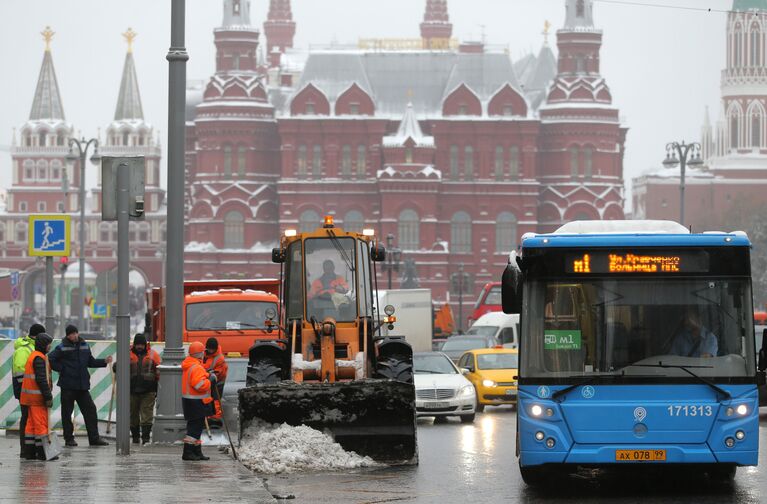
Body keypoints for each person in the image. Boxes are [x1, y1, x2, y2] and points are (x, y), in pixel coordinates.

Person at [48, 324, 112, 447]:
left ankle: (94, 438)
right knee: (67, 414)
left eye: (75, 333)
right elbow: (50, 359)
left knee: (90, 411)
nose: (74, 335)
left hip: (82, 386)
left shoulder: (84, 345)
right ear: (67, 335)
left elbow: (90, 362)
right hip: (68, 386)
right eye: (71, 334)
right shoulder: (62, 347)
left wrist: (103, 361)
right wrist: (62, 369)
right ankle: (69, 439)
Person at [12, 323, 46, 458]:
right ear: (38, 335)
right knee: (26, 419)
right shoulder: (23, 349)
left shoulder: (32, 347)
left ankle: (31, 449)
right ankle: (25, 450)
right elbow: (20, 373)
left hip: (31, 392)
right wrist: (26, 390)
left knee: (32, 420)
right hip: (25, 392)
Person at [20, 332, 55, 461]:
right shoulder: (39, 358)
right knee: (41, 425)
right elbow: (42, 379)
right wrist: (48, 397)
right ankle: (43, 453)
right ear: (43, 345)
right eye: (48, 345)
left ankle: (29, 452)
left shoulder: (34, 356)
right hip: (37, 399)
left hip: (29, 398)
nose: (49, 347)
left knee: (31, 426)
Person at [181, 341, 216, 461]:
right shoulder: (196, 367)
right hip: (196, 402)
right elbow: (199, 385)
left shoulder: (190, 365)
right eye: (203, 352)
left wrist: (206, 374)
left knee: (196, 427)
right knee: (195, 428)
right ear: (200, 353)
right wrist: (209, 380)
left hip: (191, 401)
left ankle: (196, 452)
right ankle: (189, 452)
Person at [128, 333, 162, 444]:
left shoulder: (153, 355)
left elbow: (159, 371)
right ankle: (135, 437)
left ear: (145, 344)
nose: (139, 346)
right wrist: (116, 366)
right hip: (131, 390)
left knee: (147, 415)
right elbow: (120, 366)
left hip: (149, 391)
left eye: (141, 344)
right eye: (137, 344)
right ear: (134, 344)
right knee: (133, 416)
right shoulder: (128, 354)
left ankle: (146, 439)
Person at [203, 337, 228, 428]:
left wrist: (210, 375)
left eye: (212, 348)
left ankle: (215, 418)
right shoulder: (203, 354)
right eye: (209, 348)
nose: (211, 350)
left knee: (215, 399)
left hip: (217, 381)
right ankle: (207, 417)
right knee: (206, 400)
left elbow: (220, 371)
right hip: (206, 380)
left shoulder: (219, 358)